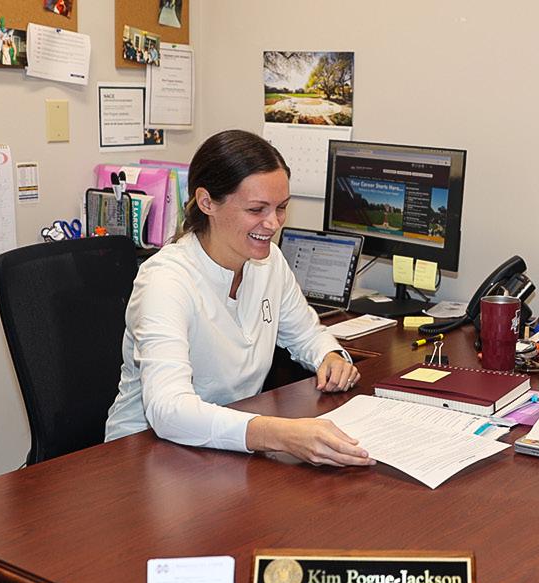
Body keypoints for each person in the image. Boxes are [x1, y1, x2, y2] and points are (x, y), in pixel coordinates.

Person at [105, 130, 372, 467]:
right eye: (256, 209)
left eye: (281, 208)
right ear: (207, 202)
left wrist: (329, 356)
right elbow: (169, 410)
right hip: (144, 455)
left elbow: (306, 334)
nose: (273, 223)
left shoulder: (269, 262)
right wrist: (280, 433)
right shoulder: (166, 280)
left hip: (226, 447)